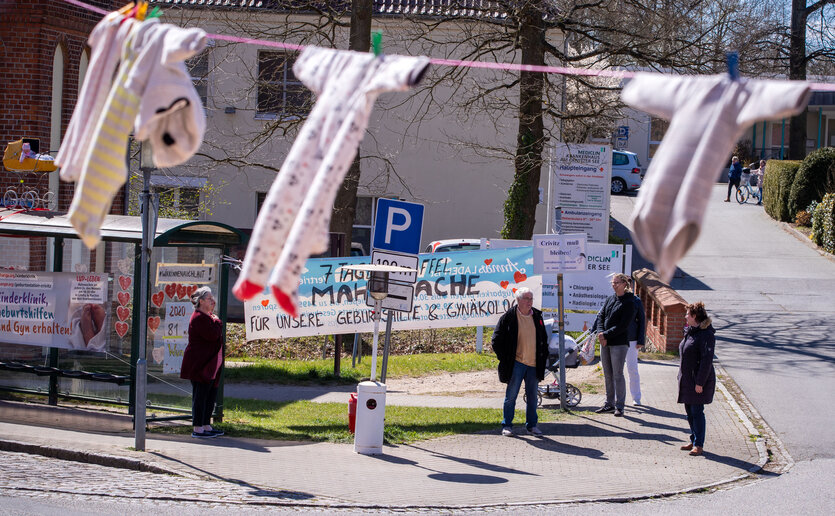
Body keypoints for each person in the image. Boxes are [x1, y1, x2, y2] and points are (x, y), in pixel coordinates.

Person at [492, 287, 548, 437]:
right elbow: (496, 340)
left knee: (532, 397)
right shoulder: (508, 317)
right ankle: (507, 425)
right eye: (527, 299)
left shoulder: (537, 315)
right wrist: (505, 358)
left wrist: (544, 356)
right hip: (516, 363)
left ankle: (532, 426)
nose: (530, 302)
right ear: (518, 300)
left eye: (531, 299)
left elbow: (543, 339)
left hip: (533, 364)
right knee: (511, 396)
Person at [180, 287, 225, 439]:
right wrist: (218, 321)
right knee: (200, 397)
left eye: (213, 298)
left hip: (210, 366)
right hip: (200, 365)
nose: (213, 301)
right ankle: (198, 428)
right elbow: (213, 335)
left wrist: (215, 320)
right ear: (201, 301)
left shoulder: (208, 317)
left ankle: (206, 424)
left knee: (209, 396)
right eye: (209, 299)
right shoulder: (199, 317)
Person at [592, 273, 637, 417]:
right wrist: (600, 333)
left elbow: (623, 325)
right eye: (613, 282)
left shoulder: (629, 302)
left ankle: (620, 405)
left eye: (617, 282)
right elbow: (601, 316)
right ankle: (609, 403)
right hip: (605, 341)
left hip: (618, 343)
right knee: (607, 374)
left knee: (617, 374)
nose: (614, 285)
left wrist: (606, 335)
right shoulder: (610, 299)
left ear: (625, 284)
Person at [678, 301, 716, 456]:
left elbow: (707, 361)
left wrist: (700, 382)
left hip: (698, 381)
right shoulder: (691, 331)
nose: (685, 316)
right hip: (687, 379)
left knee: (697, 411)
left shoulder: (706, 335)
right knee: (689, 411)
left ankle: (699, 444)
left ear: (694, 316)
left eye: (688, 314)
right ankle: (693, 439)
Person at [625, 284, 646, 406]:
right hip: (617, 339)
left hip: (632, 339)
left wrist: (640, 340)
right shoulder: (615, 299)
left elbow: (641, 320)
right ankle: (618, 397)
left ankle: (636, 397)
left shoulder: (636, 300)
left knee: (632, 369)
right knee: (616, 371)